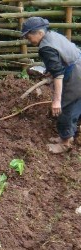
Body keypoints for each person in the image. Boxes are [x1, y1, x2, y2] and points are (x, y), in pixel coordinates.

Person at [21, 17, 81, 154]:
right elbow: (62, 58)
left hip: (76, 76)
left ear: (39, 33)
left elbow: (59, 74)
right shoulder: (53, 35)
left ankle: (65, 143)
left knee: (65, 108)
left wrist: (57, 100)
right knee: (77, 103)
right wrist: (51, 71)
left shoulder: (45, 48)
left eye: (29, 35)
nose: (28, 39)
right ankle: (68, 135)